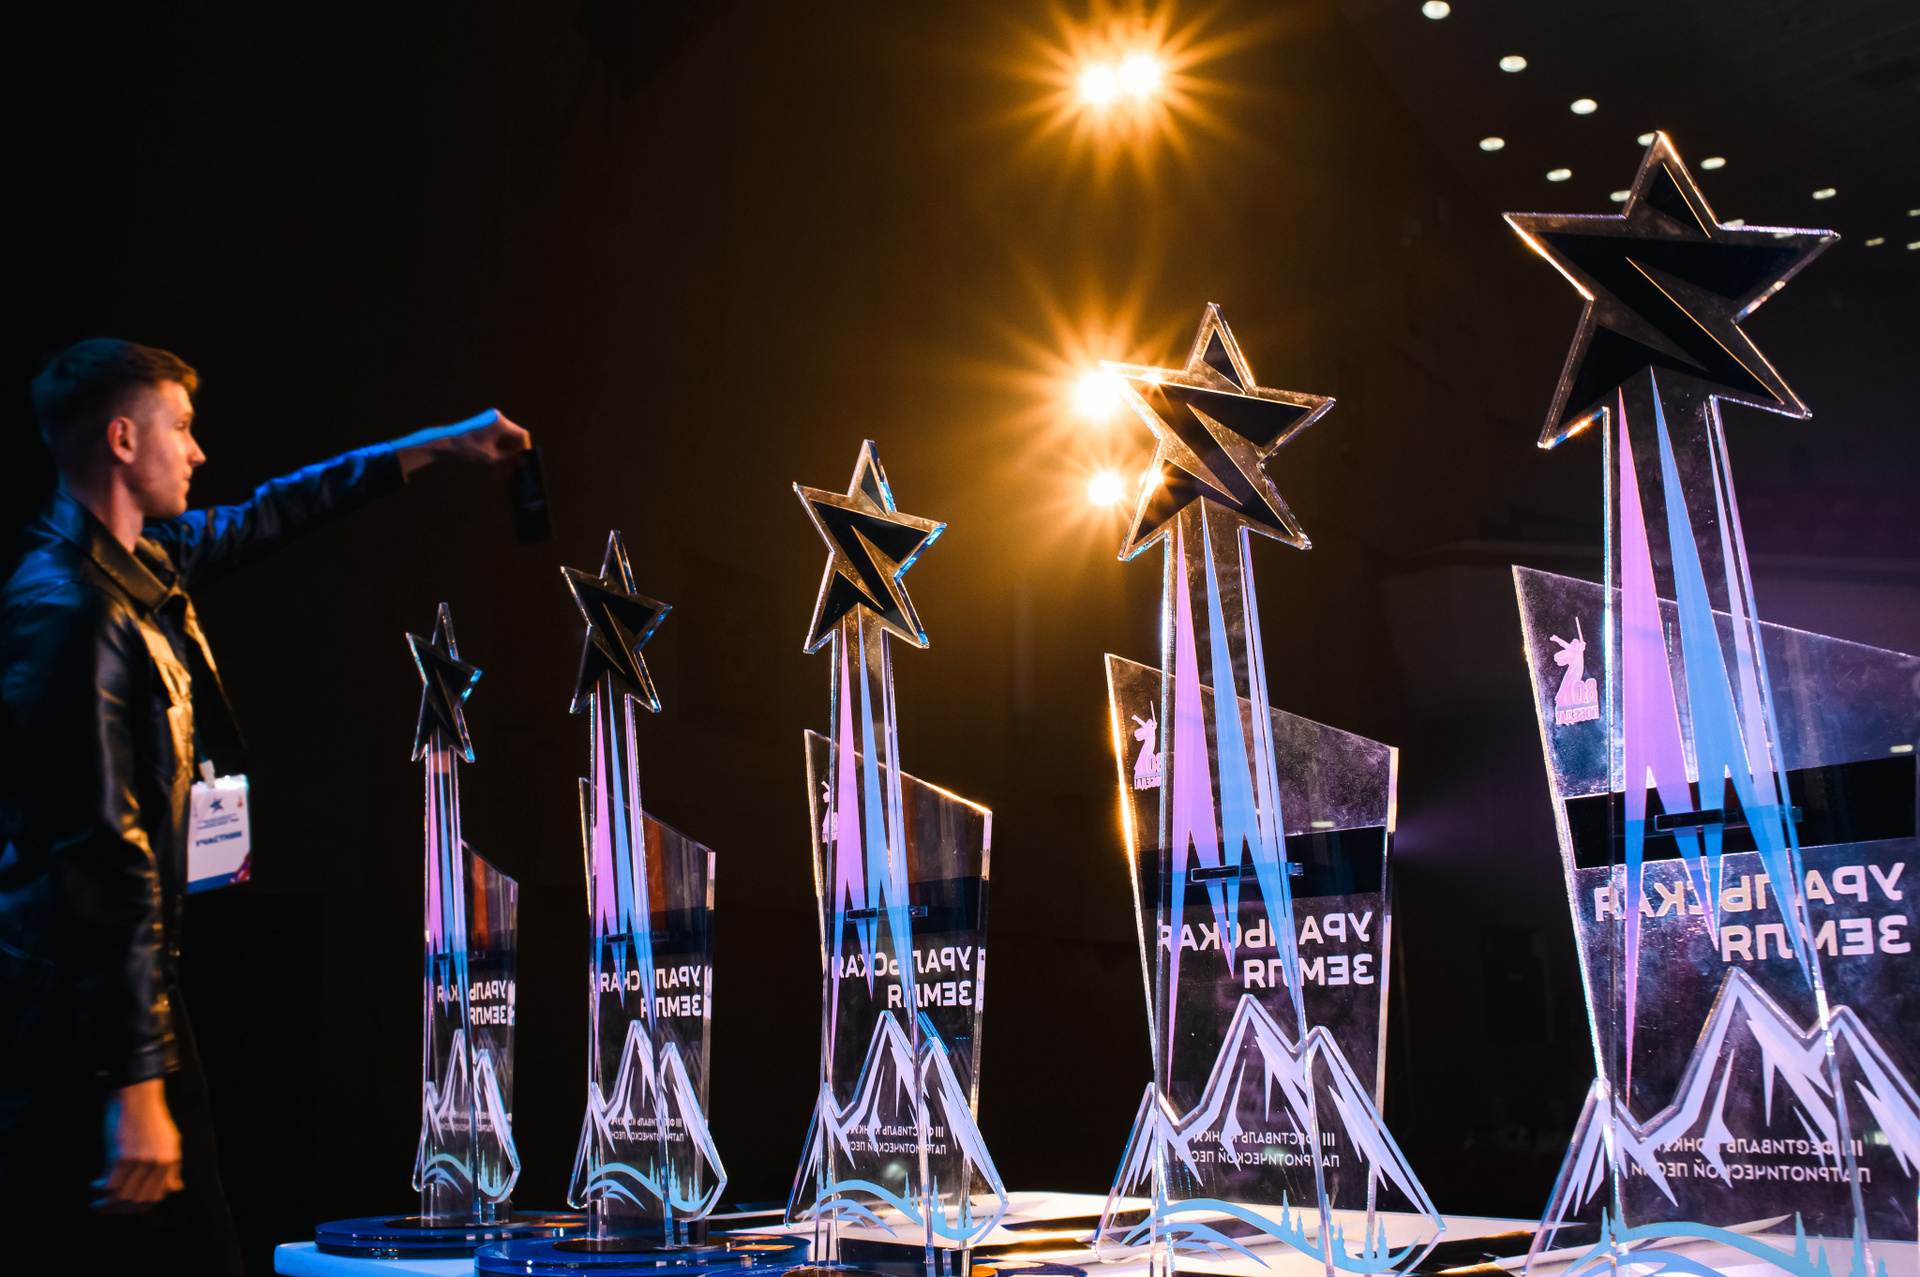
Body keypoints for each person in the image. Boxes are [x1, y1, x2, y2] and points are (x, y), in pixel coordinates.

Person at [0, 338, 529, 1273]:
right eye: (181, 426)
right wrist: (135, 1082)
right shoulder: (69, 613)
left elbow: (277, 510)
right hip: (75, 1012)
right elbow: (98, 855)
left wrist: (440, 445)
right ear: (122, 438)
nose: (198, 450)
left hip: (121, 996)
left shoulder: (145, 563)